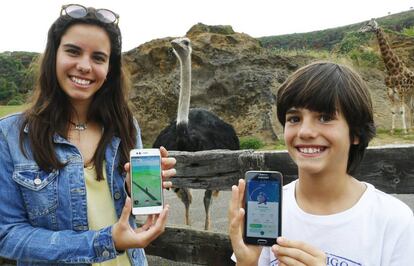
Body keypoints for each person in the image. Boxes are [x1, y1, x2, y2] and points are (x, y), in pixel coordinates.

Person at [0, 4, 176, 265]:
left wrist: (132, 187)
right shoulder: (11, 135)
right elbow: (7, 235)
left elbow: (130, 216)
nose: (84, 66)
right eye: (73, 51)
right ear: (54, 56)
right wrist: (105, 242)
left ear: (109, 70)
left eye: (98, 57)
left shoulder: (125, 126)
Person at [228, 61, 414, 265]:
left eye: (325, 118)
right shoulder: (268, 213)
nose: (305, 132)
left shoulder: (393, 220)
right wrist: (246, 263)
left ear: (356, 133)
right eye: (294, 118)